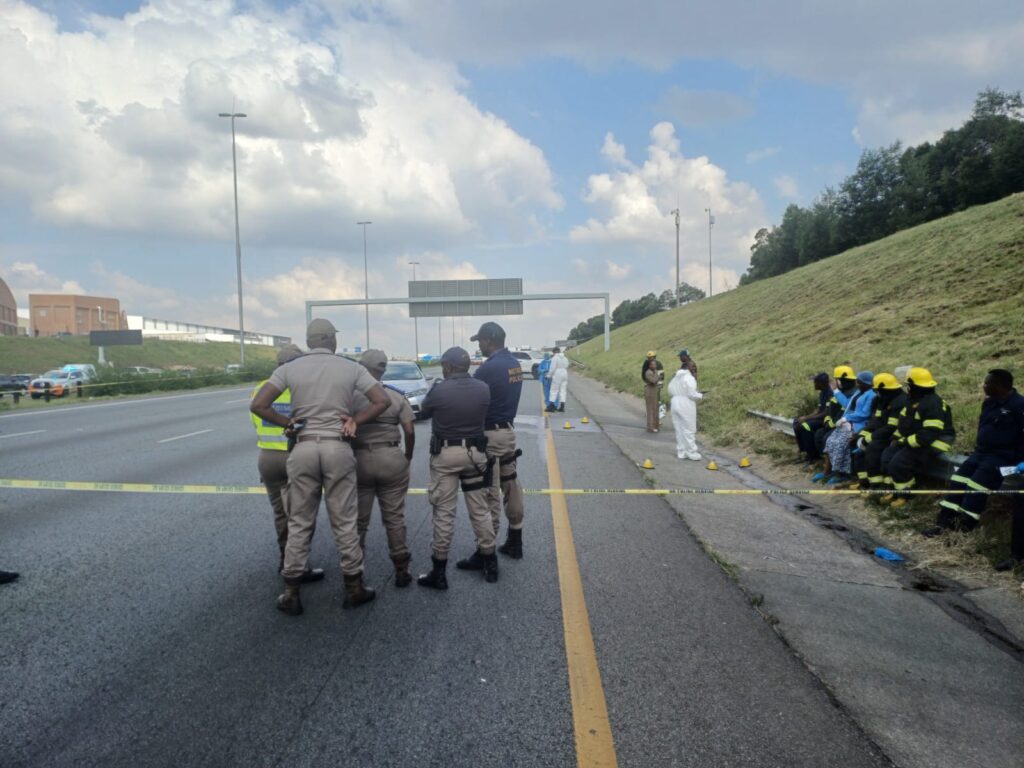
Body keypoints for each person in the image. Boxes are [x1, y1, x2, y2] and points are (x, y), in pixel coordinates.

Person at [250, 318, 389, 616]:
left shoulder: (289, 369)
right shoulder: (351, 367)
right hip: (337, 446)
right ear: (331, 340)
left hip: (302, 448)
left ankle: (291, 592)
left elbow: (259, 405)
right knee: (344, 520)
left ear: (311, 340)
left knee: (299, 520)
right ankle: (354, 587)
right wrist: (355, 420)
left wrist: (288, 423)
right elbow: (382, 400)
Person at [416, 347, 497, 589]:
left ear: (449, 366)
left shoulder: (440, 389)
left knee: (444, 513)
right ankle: (490, 562)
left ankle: (438, 573)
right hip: (475, 455)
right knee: (481, 509)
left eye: (443, 365)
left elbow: (426, 409)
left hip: (446, 456)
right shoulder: (483, 388)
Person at [923, 369, 1024, 551]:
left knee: (975, 488)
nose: (984, 386)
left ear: (1000, 386)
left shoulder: (1019, 405)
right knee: (957, 482)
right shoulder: (989, 403)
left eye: (987, 383)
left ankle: (962, 531)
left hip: (1002, 457)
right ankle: (944, 524)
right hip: (980, 453)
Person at [249, 343, 324, 582]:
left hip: (268, 458)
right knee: (302, 515)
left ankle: (284, 558)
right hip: (296, 456)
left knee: (281, 514)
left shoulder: (260, 389)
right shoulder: (302, 387)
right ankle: (299, 565)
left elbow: (255, 420)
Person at [352, 349, 416, 588]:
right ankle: (401, 569)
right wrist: (406, 457)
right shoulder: (395, 396)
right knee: (394, 517)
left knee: (358, 521)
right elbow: (409, 431)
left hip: (359, 460)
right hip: (392, 457)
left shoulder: (350, 397)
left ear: (362, 368)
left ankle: (355, 574)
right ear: (383, 370)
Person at [464, 322, 526, 564]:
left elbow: (470, 399)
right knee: (511, 484)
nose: (479, 346)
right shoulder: (514, 363)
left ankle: (485, 551)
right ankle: (515, 539)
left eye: (480, 341)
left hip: (490, 435)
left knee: (490, 490)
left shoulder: (488, 368)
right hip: (508, 432)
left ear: (489, 340)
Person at [879, 367, 955, 507]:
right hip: (917, 439)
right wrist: (896, 438)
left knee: (899, 462)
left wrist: (904, 441)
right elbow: (905, 423)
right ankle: (895, 491)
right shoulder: (913, 400)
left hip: (936, 441)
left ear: (914, 385)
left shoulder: (933, 404)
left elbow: (929, 433)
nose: (908, 388)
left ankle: (906, 496)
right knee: (887, 456)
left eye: (909, 385)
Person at [852, 373, 908, 490]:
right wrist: (861, 434)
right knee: (858, 450)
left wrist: (869, 438)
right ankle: (864, 482)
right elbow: (875, 421)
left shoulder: (900, 401)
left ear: (885, 389)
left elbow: (891, 427)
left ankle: (876, 486)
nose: (876, 392)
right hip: (880, 432)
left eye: (877, 390)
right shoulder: (880, 399)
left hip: (892, 436)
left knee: (873, 449)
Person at [822, 371, 875, 483]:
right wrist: (836, 390)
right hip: (848, 424)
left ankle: (844, 473)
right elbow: (847, 404)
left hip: (858, 425)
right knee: (830, 441)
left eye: (860, 383)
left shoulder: (871, 395)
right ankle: (832, 471)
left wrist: (847, 418)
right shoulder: (859, 393)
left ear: (867, 383)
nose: (857, 385)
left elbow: (864, 414)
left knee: (841, 444)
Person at [810, 366, 858, 482]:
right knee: (820, 435)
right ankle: (828, 470)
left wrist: (836, 390)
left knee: (830, 439)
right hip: (836, 424)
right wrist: (828, 420)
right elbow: (829, 409)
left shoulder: (853, 393)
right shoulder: (841, 392)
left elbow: (847, 407)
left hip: (850, 426)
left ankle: (839, 473)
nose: (834, 382)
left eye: (836, 379)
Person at [668, 350, 703, 460]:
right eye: (693, 369)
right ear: (690, 368)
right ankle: (692, 453)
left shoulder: (676, 377)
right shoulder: (689, 378)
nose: (694, 370)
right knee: (689, 428)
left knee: (679, 429)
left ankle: (681, 452)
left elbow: (669, 390)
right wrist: (700, 395)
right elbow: (692, 394)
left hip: (674, 402)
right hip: (685, 403)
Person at [793, 372, 831, 462]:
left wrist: (807, 419)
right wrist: (805, 417)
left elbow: (826, 413)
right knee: (796, 422)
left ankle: (813, 456)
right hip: (819, 418)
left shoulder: (830, 393)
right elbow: (818, 410)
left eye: (816, 382)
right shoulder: (822, 393)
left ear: (822, 383)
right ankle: (804, 451)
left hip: (824, 420)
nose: (814, 384)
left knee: (805, 426)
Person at [547, 347, 570, 412]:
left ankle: (551, 406)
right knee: (563, 390)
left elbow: (552, 368)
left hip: (557, 373)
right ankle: (562, 407)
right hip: (565, 373)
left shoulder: (555, 358)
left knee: (554, 390)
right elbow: (567, 365)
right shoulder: (565, 358)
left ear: (554, 352)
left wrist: (549, 376)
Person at [643, 356, 662, 432]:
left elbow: (657, 379)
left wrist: (658, 377)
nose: (655, 366)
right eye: (653, 364)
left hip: (655, 391)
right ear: (650, 365)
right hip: (649, 391)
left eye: (655, 364)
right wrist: (658, 377)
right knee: (650, 409)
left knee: (655, 409)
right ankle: (650, 427)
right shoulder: (648, 373)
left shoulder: (655, 371)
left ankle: (655, 426)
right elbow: (654, 381)